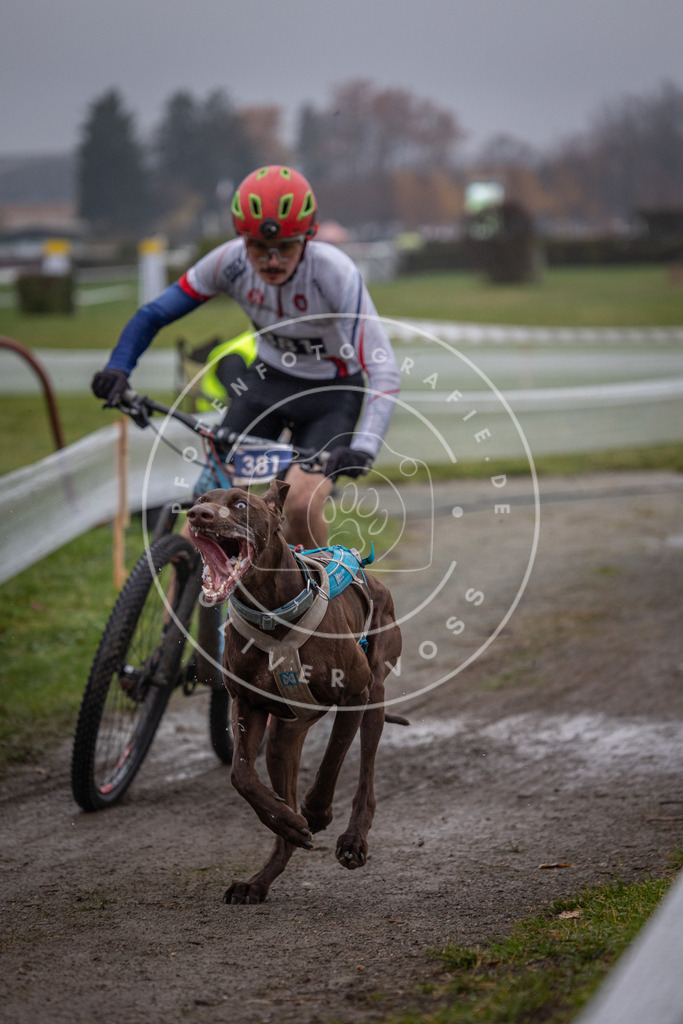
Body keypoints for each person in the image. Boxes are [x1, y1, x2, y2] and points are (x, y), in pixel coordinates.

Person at [92, 165, 401, 547]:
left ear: (308, 238)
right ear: (243, 239)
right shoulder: (230, 262)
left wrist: (364, 448)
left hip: (331, 394)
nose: (272, 260)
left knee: (300, 506)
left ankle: (318, 586)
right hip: (268, 383)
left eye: (285, 247)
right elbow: (153, 314)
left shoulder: (334, 272)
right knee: (208, 509)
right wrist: (118, 368)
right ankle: (178, 585)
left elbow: (384, 370)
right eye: (258, 246)